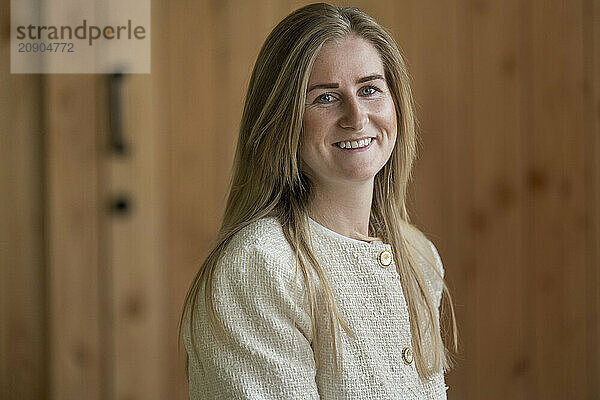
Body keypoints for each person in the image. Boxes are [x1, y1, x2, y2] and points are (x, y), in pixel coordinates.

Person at [179, 3, 458, 399]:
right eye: (326, 98)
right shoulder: (258, 268)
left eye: (369, 89)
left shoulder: (418, 256)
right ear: (283, 119)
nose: (356, 116)